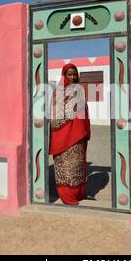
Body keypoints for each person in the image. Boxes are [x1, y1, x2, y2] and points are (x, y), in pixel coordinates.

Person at [49, 63, 90, 205]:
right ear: (64, 76)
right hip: (64, 135)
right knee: (65, 166)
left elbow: (85, 110)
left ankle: (78, 193)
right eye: (69, 74)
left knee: (77, 165)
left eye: (74, 74)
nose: (72, 77)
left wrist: (85, 129)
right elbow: (55, 116)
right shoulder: (59, 92)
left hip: (78, 135)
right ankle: (67, 195)